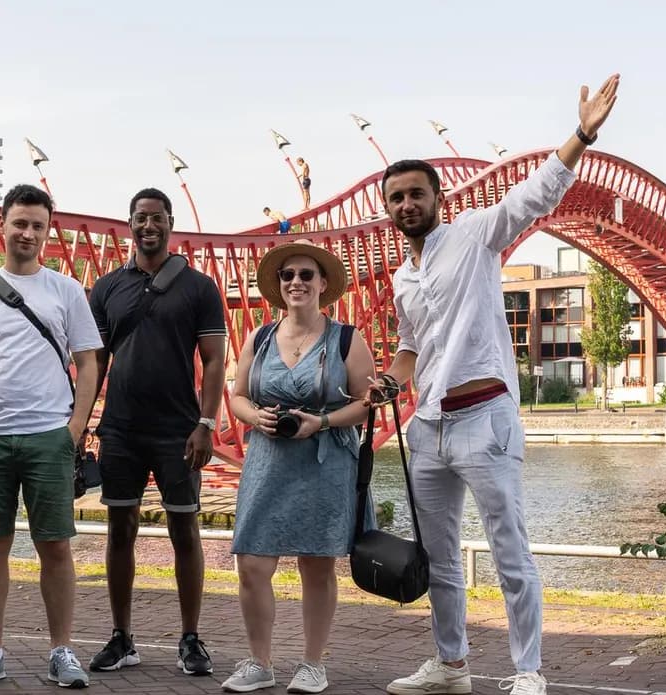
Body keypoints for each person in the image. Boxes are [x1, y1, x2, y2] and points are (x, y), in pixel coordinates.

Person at [373, 74, 621, 695]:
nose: (407, 205)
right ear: (389, 208)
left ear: (438, 198)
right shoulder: (403, 279)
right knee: (442, 557)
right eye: (396, 198)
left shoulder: (477, 234)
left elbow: (535, 195)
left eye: (416, 194)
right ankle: (451, 666)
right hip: (427, 425)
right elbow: (410, 348)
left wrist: (583, 133)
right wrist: (389, 381)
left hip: (484, 418)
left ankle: (527, 670)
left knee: (509, 549)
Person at [0, 184, 103, 688]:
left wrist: (74, 428)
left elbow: (88, 362)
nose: (28, 233)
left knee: (55, 547)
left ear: (47, 233)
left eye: (37, 225)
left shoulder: (67, 290)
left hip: (47, 436)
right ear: (1, 225)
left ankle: (62, 651)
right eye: (20, 223)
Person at [223, 239, 377, 694]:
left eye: (306, 275)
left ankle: (312, 663)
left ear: (323, 283)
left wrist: (323, 421)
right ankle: (259, 662)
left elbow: (368, 404)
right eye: (288, 276)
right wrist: (255, 417)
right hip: (268, 458)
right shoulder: (260, 336)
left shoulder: (346, 338)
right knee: (251, 563)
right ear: (278, 285)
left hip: (325, 458)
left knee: (316, 563)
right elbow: (238, 396)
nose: (296, 282)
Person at [85, 188, 226, 677]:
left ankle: (190, 637)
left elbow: (213, 361)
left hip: (178, 430)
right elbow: (95, 363)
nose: (149, 226)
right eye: (141, 218)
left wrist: (206, 424)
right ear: (130, 224)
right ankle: (122, 637)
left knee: (184, 529)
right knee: (118, 529)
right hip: (120, 429)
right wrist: (81, 422)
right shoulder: (105, 288)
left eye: (157, 218)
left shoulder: (199, 287)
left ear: (171, 223)